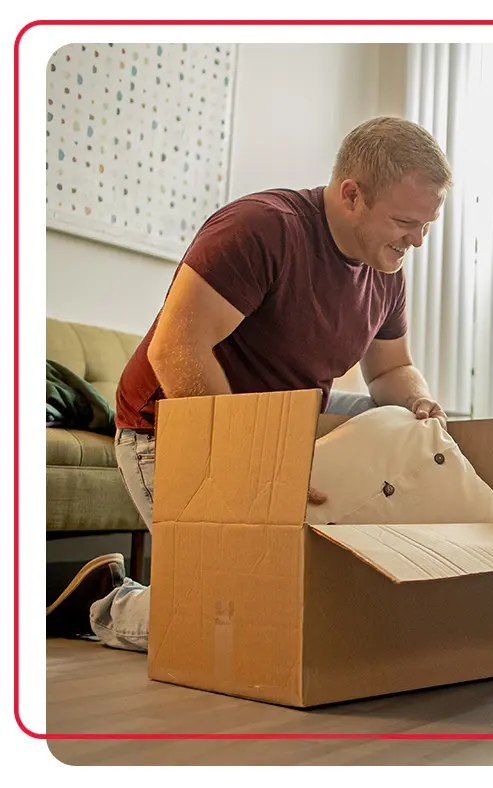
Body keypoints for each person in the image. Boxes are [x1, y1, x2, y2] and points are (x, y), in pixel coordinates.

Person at [44, 116, 453, 651]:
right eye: (405, 222)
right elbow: (176, 350)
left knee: (389, 425)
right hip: (171, 431)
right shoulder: (262, 228)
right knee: (232, 618)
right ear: (352, 195)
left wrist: (419, 401)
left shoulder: (385, 269)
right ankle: (103, 603)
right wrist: (262, 467)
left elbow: (391, 370)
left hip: (276, 435)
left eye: (427, 225)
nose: (417, 241)